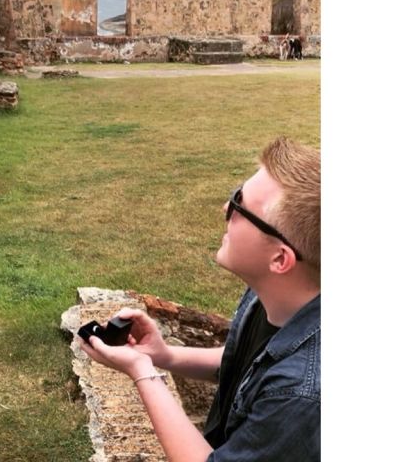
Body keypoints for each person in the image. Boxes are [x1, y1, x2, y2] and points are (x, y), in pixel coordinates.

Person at [80, 137, 320, 461]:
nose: (226, 208)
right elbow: (242, 363)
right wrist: (163, 356)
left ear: (280, 259)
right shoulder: (275, 294)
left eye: (239, 205)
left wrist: (142, 372)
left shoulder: (301, 395)